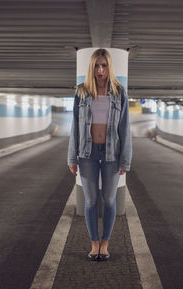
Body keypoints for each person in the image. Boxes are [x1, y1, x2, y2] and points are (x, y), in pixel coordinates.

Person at [67, 48, 132, 261]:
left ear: (109, 66)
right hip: (88, 153)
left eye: (104, 65)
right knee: (91, 201)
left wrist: (126, 159)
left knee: (110, 201)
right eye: (97, 65)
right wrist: (71, 157)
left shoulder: (119, 92)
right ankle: (94, 244)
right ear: (91, 67)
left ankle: (105, 244)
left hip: (112, 153)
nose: (101, 70)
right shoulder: (82, 91)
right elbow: (75, 127)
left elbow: (124, 128)